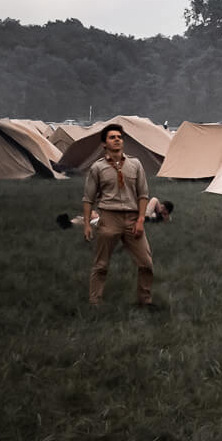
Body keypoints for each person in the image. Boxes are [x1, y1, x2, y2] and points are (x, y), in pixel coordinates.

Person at [81, 124, 156, 306]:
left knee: (146, 263)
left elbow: (143, 194)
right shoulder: (97, 168)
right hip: (109, 218)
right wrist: (87, 224)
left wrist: (141, 220)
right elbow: (88, 198)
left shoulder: (135, 164)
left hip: (132, 218)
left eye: (119, 137)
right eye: (112, 137)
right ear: (104, 144)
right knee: (101, 264)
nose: (117, 139)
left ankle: (145, 300)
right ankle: (95, 301)